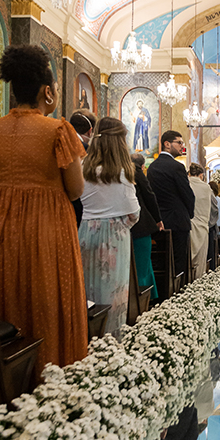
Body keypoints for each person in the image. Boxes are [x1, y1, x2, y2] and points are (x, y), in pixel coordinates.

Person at [0, 45, 87, 378]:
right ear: (48, 90)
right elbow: (76, 189)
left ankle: (3, 383)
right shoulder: (57, 131)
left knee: (4, 292)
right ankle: (51, 373)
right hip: (48, 226)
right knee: (48, 297)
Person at [79, 118, 140, 336]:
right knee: (113, 298)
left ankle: (85, 343)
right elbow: (134, 213)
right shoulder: (121, 174)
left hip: (85, 232)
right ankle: (111, 344)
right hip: (114, 238)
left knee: (87, 293)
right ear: (119, 143)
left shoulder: (81, 168)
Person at [147, 131, 195, 283]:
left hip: (160, 221)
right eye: (179, 143)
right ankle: (178, 293)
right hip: (178, 222)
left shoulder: (152, 167)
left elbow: (151, 195)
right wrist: (189, 214)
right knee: (179, 262)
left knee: (162, 260)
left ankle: (163, 295)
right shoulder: (177, 167)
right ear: (167, 144)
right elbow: (187, 194)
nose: (182, 146)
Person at [130, 152, 163, 303]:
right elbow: (149, 195)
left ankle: (145, 298)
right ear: (143, 166)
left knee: (142, 263)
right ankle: (144, 300)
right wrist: (158, 219)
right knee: (143, 264)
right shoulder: (136, 172)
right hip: (140, 225)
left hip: (126, 225)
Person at [189, 164, 212, 279]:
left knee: (188, 258)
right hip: (202, 224)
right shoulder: (206, 187)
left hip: (188, 224)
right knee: (200, 261)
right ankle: (198, 282)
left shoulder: (185, 184)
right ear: (201, 175)